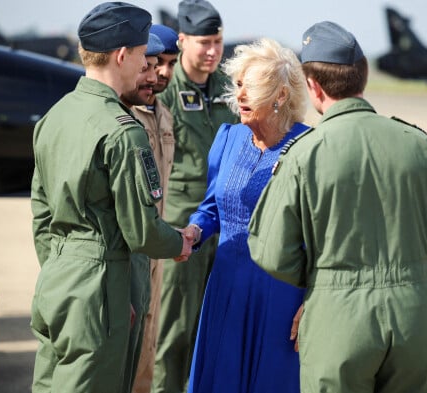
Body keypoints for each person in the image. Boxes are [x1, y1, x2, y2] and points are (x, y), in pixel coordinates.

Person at [248, 21, 427, 393]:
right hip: (415, 314)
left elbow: (271, 251)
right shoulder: (419, 144)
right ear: (361, 78)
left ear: (314, 86)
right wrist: (406, 266)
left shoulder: (303, 155)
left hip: (339, 315)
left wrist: (325, 278)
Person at [29, 3, 191, 393]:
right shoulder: (123, 130)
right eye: (140, 55)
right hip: (104, 285)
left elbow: (41, 214)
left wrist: (64, 274)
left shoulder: (55, 116)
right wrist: (180, 243)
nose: (145, 67)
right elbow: (142, 233)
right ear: (121, 55)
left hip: (57, 280)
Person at [185, 38, 310, 393]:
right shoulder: (228, 137)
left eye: (252, 87)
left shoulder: (309, 147)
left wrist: (311, 301)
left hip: (279, 294)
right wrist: (195, 230)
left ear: (281, 96)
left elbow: (321, 236)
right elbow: (211, 207)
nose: (240, 95)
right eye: (239, 84)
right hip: (224, 285)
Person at [153, 1, 239, 392]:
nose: (213, 51)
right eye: (204, 42)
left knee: (219, 329)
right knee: (175, 330)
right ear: (183, 39)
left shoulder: (228, 88)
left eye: (218, 42)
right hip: (182, 226)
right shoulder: (164, 89)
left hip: (228, 226)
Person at [121, 24, 181, 393]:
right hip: (129, 251)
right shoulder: (123, 117)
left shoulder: (165, 115)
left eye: (170, 64)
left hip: (154, 250)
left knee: (149, 339)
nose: (163, 73)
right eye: (156, 63)